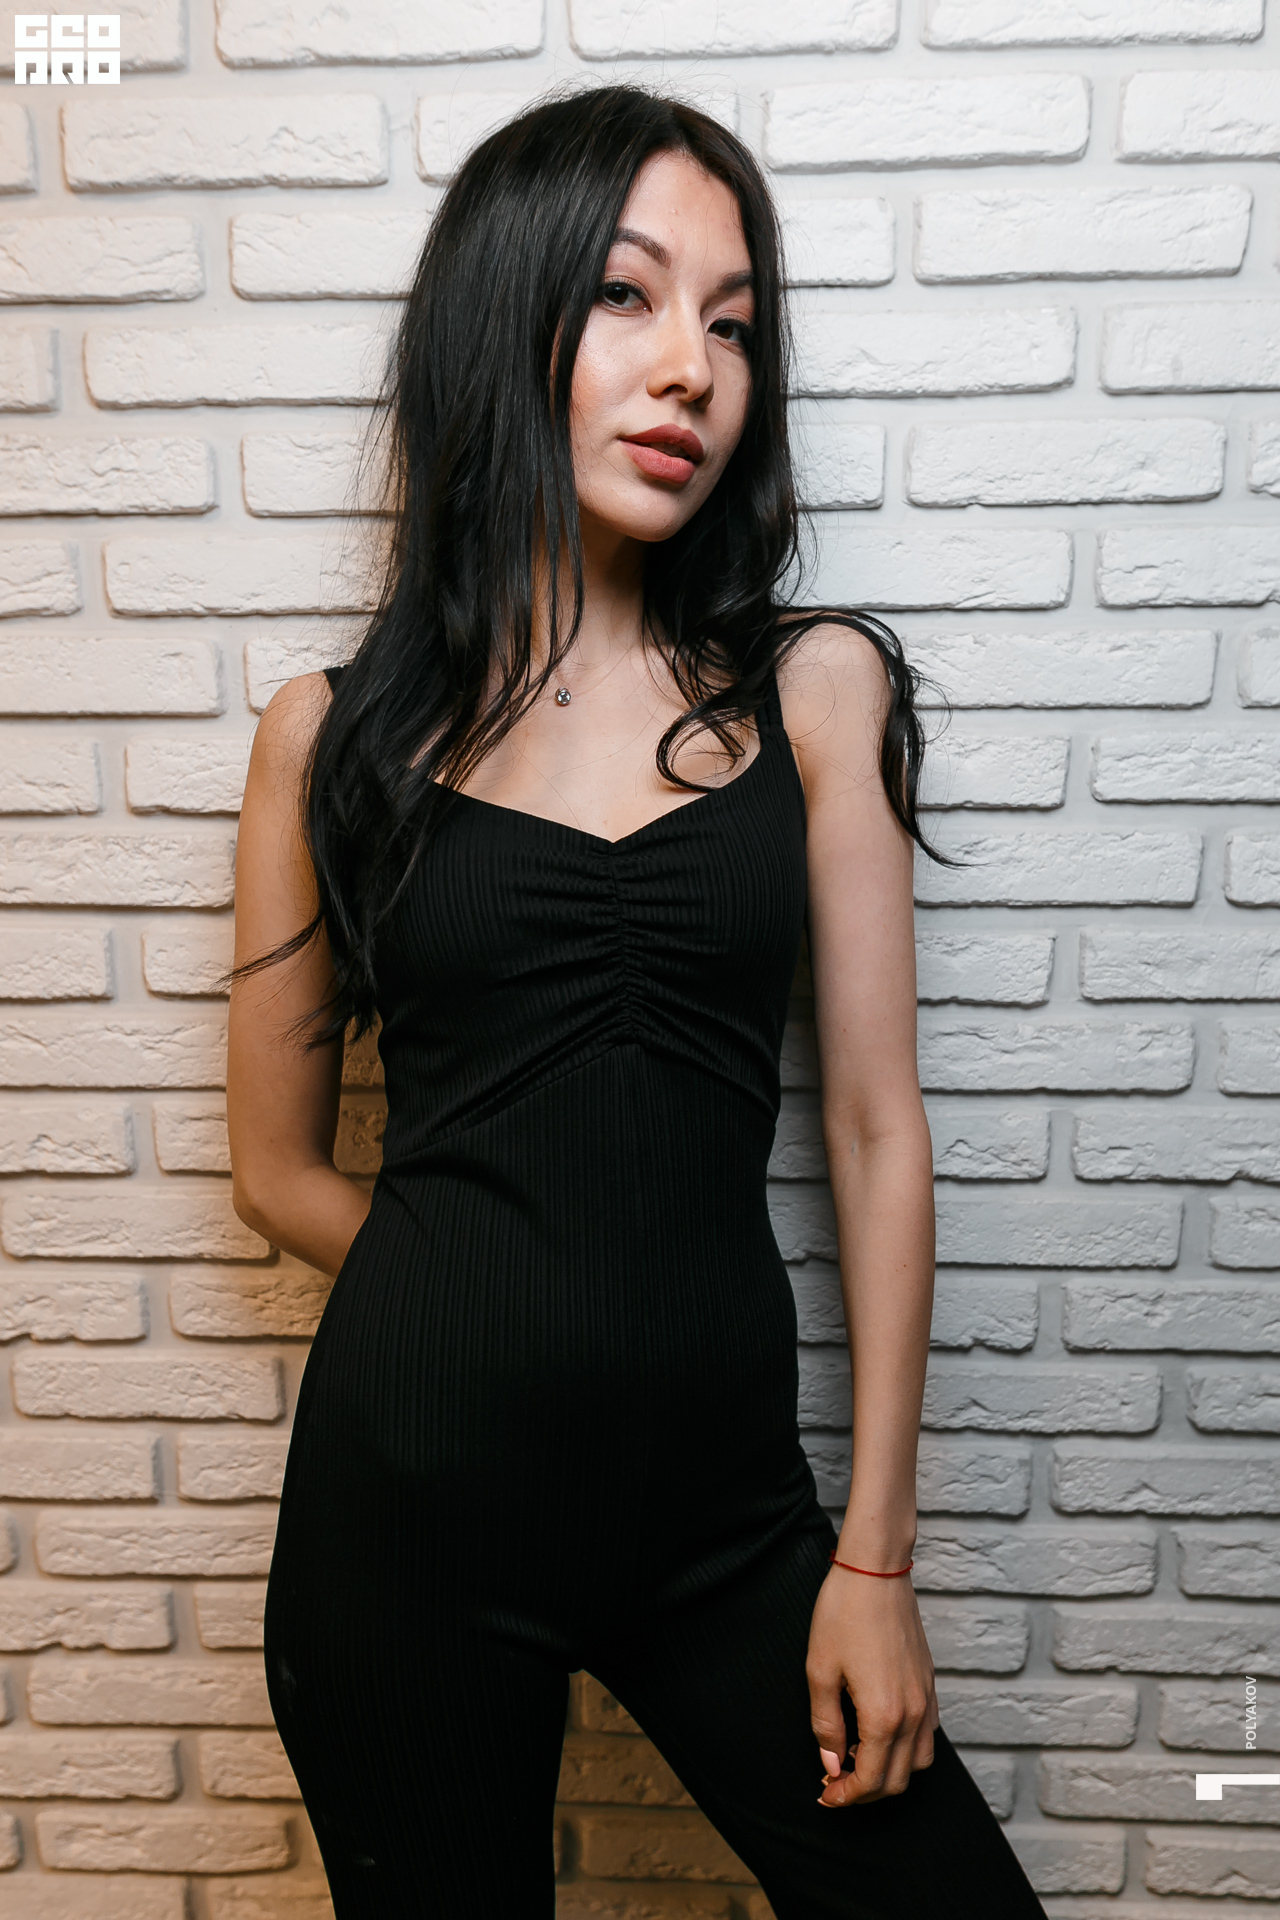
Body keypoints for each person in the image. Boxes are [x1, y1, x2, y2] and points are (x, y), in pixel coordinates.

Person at [227, 86, 1046, 1920]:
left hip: (727, 1526)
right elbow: (273, 1171)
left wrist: (875, 1564)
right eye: (628, 295)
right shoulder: (326, 741)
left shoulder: (813, 692)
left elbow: (875, 1129)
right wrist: (492, 1293)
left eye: (734, 325)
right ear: (502, 315)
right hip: (409, 1529)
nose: (693, 368)